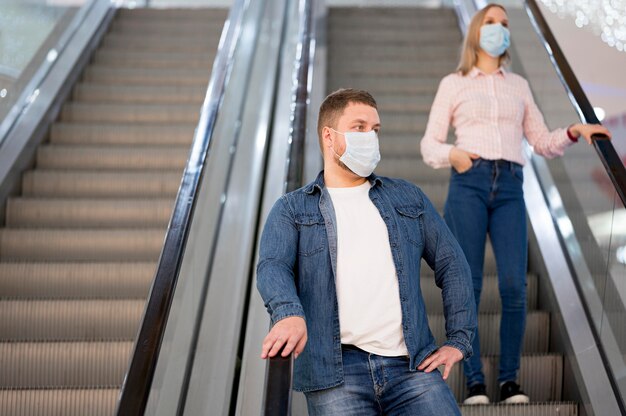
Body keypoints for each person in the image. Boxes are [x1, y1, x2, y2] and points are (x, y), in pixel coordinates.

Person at [420, 3, 611, 406]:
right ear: (476, 30)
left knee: (513, 285)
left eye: (505, 24)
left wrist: (574, 131)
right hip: (467, 182)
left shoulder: (519, 85)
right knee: (467, 282)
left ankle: (509, 381)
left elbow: (541, 141)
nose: (499, 29)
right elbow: (429, 144)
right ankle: (473, 380)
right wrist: (453, 155)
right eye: (491, 22)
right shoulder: (454, 83)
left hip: (510, 185)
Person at [257, 88, 477, 415]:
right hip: (334, 372)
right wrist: (288, 312)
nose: (370, 137)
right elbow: (272, 266)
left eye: (375, 130)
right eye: (359, 127)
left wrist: (459, 340)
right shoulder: (292, 209)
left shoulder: (408, 198)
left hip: (412, 367)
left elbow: (453, 264)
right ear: (329, 137)